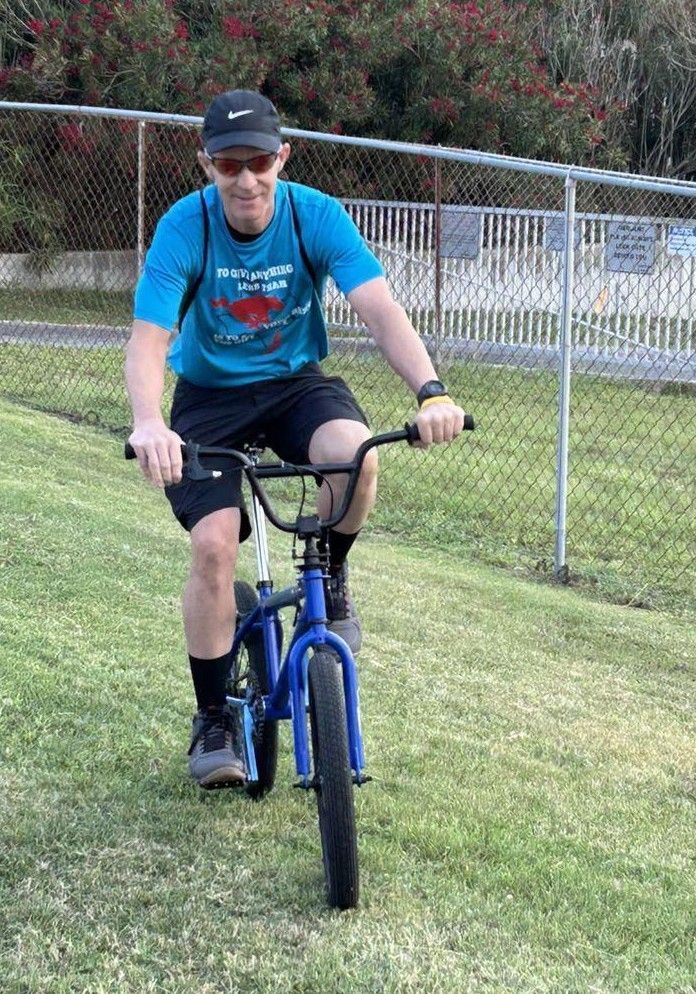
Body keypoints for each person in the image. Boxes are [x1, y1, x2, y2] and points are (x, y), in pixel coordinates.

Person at [125, 89, 466, 790]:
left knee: (353, 450)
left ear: (282, 156)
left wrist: (431, 391)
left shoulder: (315, 214)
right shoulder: (184, 227)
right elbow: (150, 337)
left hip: (293, 382)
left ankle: (331, 574)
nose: (245, 179)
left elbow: (377, 306)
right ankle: (213, 717)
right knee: (215, 545)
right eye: (228, 163)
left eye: (257, 161)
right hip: (209, 399)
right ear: (206, 165)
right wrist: (150, 420)